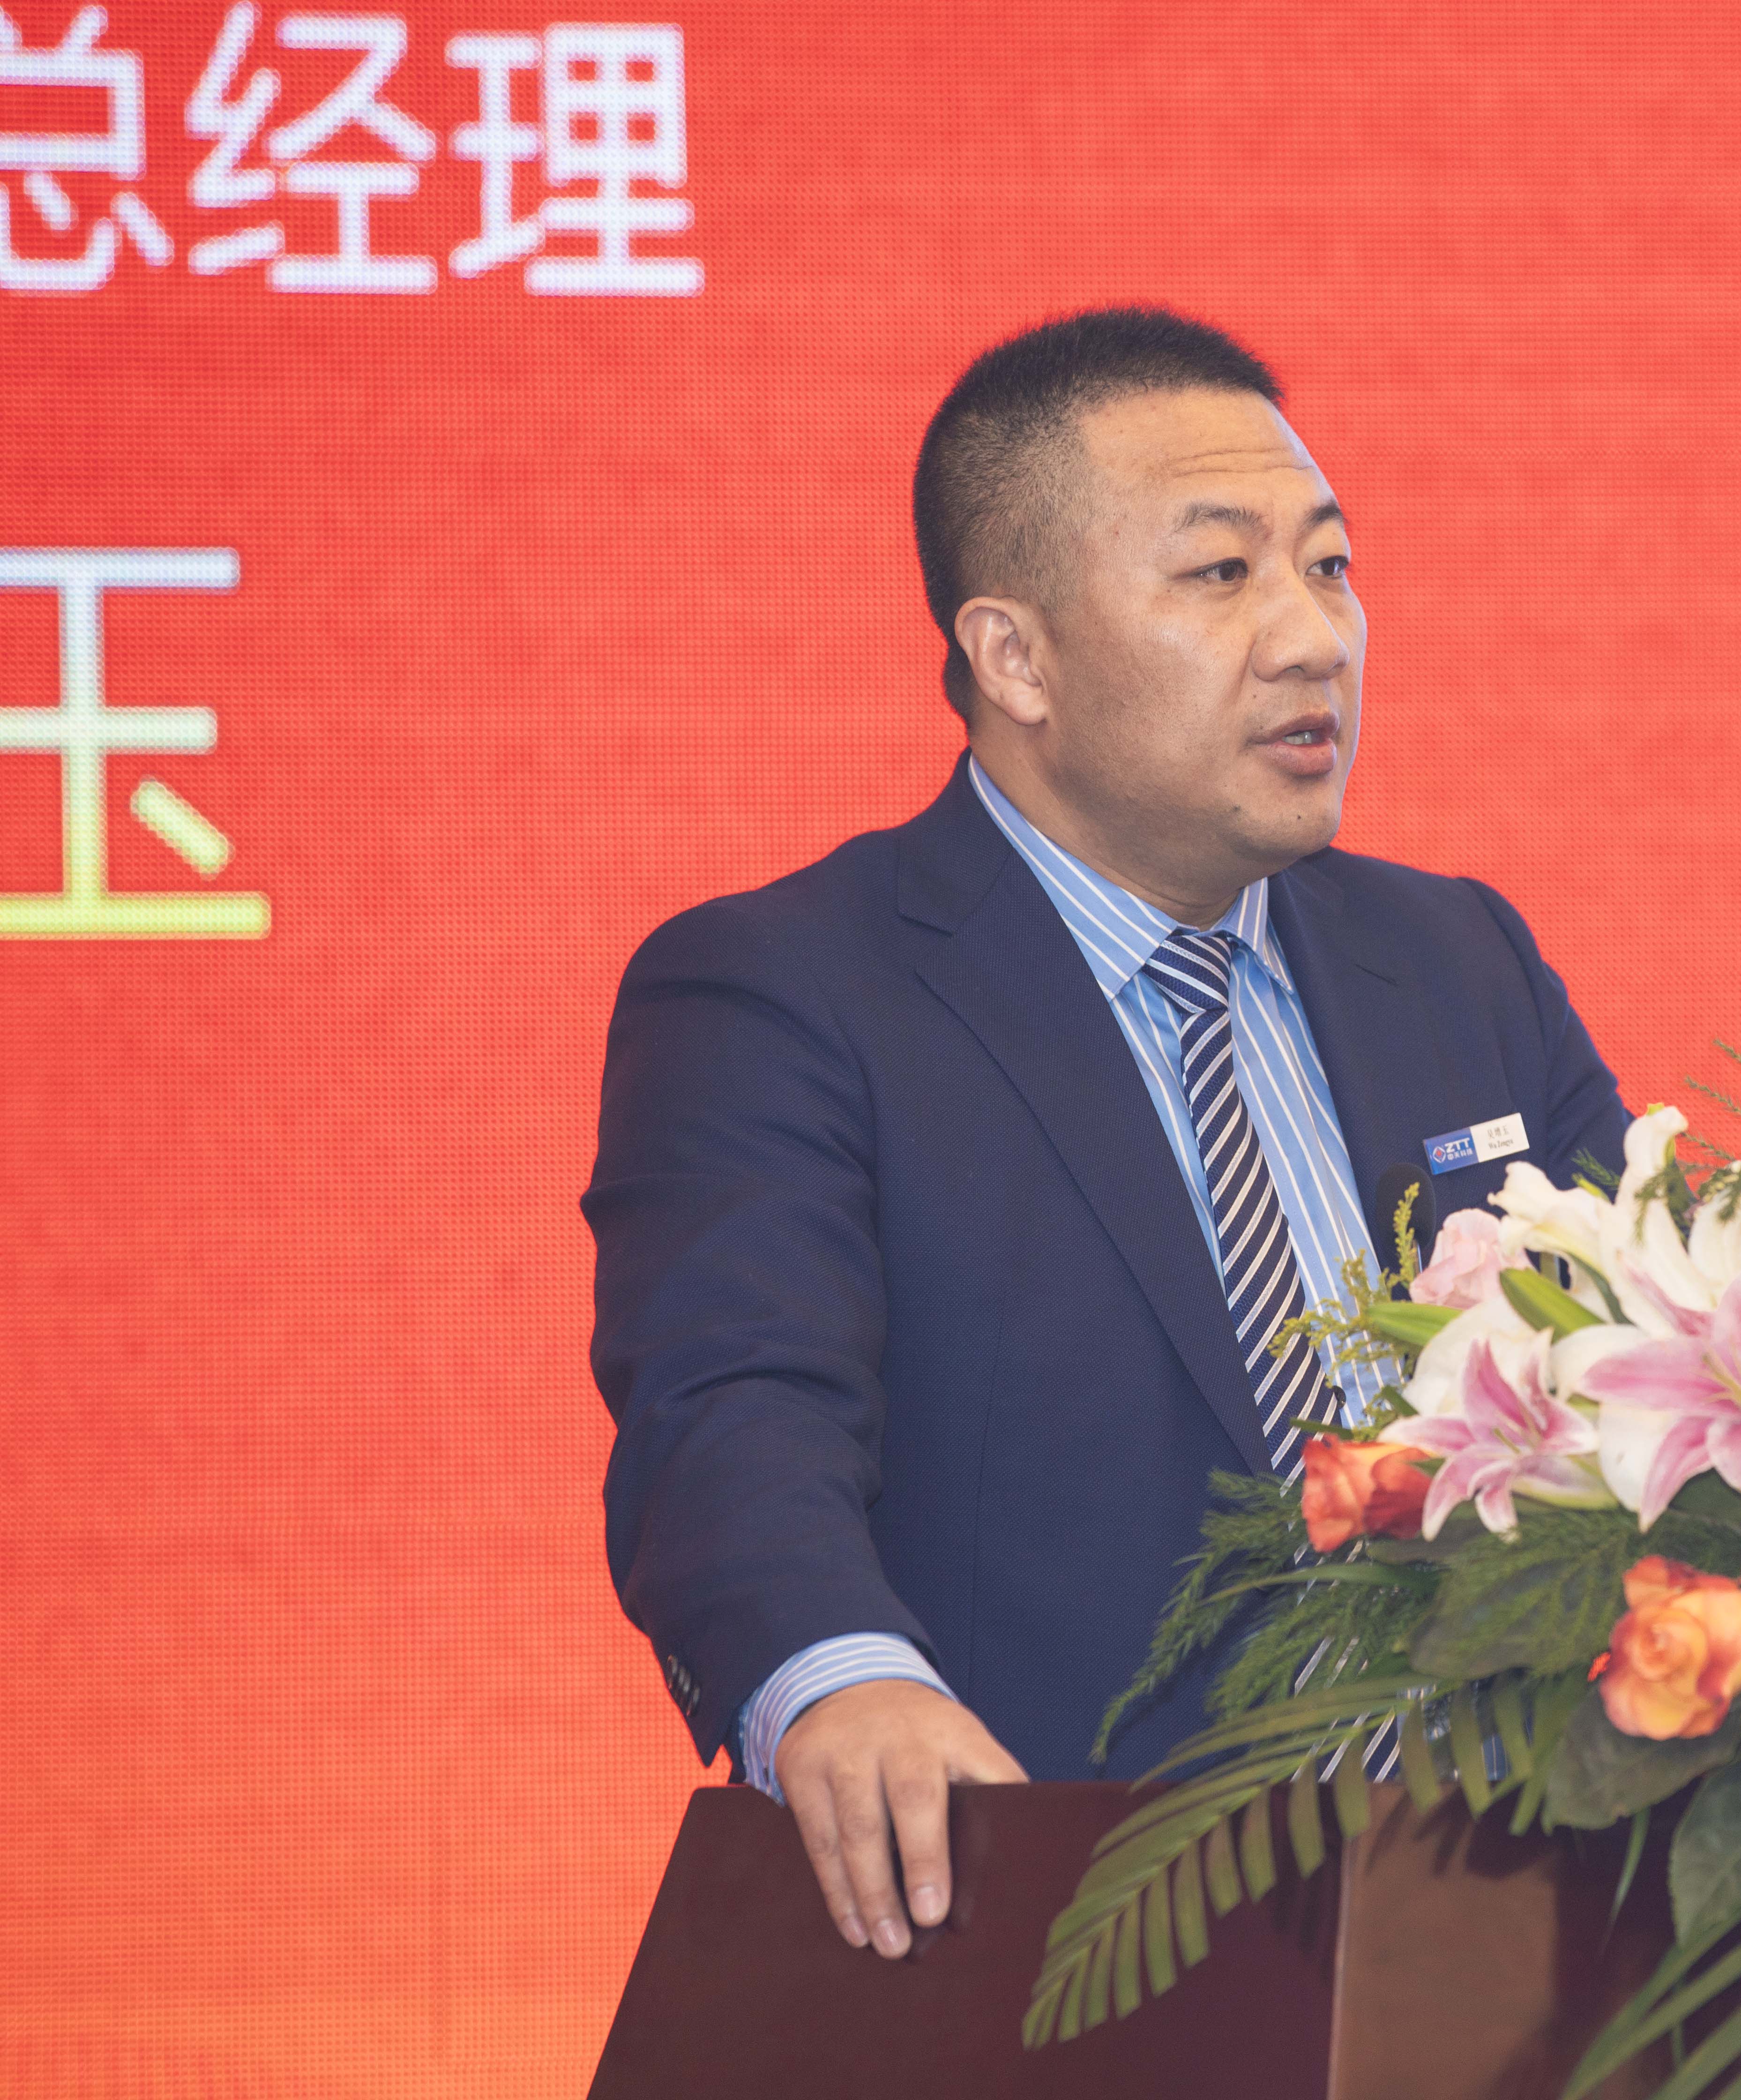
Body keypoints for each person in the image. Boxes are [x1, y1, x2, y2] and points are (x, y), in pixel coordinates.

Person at [584, 307, 1631, 1960]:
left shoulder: (1456, 959)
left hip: (1506, 1939)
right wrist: (839, 1677)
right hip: (1059, 1942)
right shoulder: (790, 992)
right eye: (1221, 575)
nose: (1314, 638)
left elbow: (1647, 1358)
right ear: (1016, 660)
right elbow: (733, 1411)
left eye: (1332, 566)